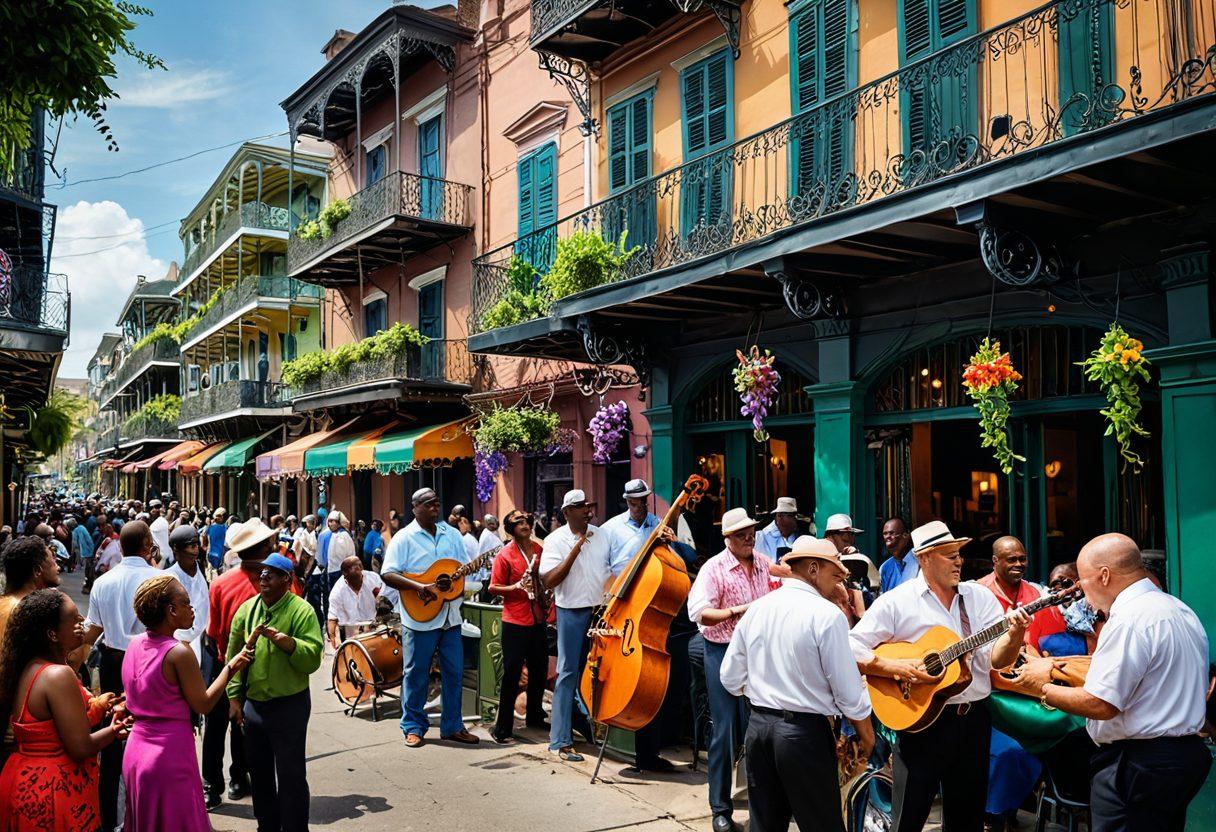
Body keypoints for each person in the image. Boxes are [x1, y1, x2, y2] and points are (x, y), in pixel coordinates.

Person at [1010, 533, 1211, 831]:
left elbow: (1101, 704)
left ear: (1104, 575)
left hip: (1139, 763)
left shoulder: (1129, 618)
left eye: (1082, 580)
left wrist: (1040, 687)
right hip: (1180, 758)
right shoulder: (1179, 609)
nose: (1079, 590)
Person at [849, 521, 1030, 832]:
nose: (959, 561)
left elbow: (995, 660)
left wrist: (1014, 636)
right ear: (925, 558)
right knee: (909, 816)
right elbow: (851, 644)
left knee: (967, 817)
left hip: (972, 718)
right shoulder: (897, 601)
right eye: (949, 555)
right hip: (920, 723)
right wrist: (896, 668)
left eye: (958, 554)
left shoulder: (978, 597)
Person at [720, 537, 874, 832]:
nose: (839, 583)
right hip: (802, 734)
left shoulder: (759, 608)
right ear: (814, 568)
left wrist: (766, 690)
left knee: (765, 825)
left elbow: (730, 678)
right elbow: (849, 694)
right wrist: (867, 739)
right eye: (836, 574)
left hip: (760, 729)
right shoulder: (827, 616)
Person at [122, 575, 254, 832]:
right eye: (186, 602)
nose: (192, 608)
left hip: (137, 751)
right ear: (171, 610)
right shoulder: (178, 652)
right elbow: (203, 704)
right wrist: (231, 666)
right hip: (168, 755)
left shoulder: (135, 644)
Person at [0, 589, 130, 831]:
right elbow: (80, 747)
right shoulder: (59, 675)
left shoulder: (31, 666)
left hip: (21, 781)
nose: (82, 622)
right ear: (52, 634)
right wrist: (115, 730)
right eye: (75, 619)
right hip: (51, 790)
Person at [687, 507, 782, 832]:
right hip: (722, 649)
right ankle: (720, 808)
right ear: (727, 537)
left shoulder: (763, 563)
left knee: (762, 727)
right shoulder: (713, 569)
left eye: (751, 531)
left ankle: (764, 806)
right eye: (741, 533)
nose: (748, 537)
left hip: (758, 649)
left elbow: (784, 585)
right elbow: (699, 612)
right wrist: (737, 610)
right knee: (725, 730)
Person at [603, 478, 696, 774]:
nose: (639, 506)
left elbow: (691, 558)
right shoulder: (611, 529)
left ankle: (647, 753)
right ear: (626, 501)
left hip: (650, 614)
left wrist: (674, 541)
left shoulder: (662, 523)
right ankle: (610, 736)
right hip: (620, 606)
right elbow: (602, 569)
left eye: (643, 500)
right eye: (633, 502)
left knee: (651, 683)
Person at [226, 553, 323, 832]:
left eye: (272, 573)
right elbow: (233, 656)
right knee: (260, 773)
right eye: (262, 573)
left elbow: (313, 658)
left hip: (290, 705)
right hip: (254, 705)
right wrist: (234, 698)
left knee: (291, 774)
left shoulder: (301, 611)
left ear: (287, 580)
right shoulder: (246, 611)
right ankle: (267, 826)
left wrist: (289, 643)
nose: (264, 577)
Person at [79, 519, 160, 832]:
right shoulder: (158, 578)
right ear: (145, 545)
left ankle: (110, 819)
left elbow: (92, 630)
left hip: (114, 662)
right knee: (150, 737)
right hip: (149, 664)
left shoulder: (105, 581)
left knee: (112, 739)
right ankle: (145, 817)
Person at [381, 489, 480, 748]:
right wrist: (418, 587)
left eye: (437, 503)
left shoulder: (452, 534)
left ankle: (453, 725)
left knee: (454, 672)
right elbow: (388, 574)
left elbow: (462, 568)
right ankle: (413, 726)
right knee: (416, 673)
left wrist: (467, 572)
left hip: (450, 615)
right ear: (415, 508)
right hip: (419, 616)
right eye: (428, 504)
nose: (435, 508)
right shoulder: (404, 538)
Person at [541, 489, 624, 762]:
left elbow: (614, 568)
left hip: (600, 610)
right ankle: (560, 741)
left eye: (587, 505)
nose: (587, 511)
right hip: (571, 611)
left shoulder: (602, 535)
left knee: (602, 670)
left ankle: (599, 732)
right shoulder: (555, 540)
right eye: (579, 507)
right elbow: (549, 580)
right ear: (566, 512)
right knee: (567, 673)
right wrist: (575, 549)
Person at [202, 519, 278, 810]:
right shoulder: (277, 581)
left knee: (227, 726)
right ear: (260, 548)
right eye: (268, 543)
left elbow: (213, 630)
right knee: (230, 725)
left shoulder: (221, 582)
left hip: (227, 662)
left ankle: (223, 782)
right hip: (234, 664)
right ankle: (227, 780)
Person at [487, 509, 551, 744]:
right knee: (512, 673)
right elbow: (493, 587)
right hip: (514, 620)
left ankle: (534, 714)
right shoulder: (505, 555)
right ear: (510, 529)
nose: (524, 525)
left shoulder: (539, 550)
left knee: (539, 669)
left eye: (527, 521)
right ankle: (502, 727)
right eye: (518, 522)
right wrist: (515, 588)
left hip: (537, 617)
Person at [0, 535, 61, 640]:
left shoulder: (5, 605)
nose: (58, 567)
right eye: (53, 562)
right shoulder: (33, 614)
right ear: (37, 571)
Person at [166, 525, 210, 662]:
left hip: (204, 639)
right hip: (179, 643)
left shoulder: (200, 568)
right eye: (190, 546)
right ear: (176, 549)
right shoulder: (169, 577)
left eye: (197, 544)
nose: (195, 550)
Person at [976, 535, 1044, 616]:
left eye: (1022, 559)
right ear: (995, 560)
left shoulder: (1035, 592)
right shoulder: (979, 591)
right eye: (1012, 560)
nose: (1018, 564)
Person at [326, 555, 383, 649]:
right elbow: (332, 619)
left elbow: (385, 597)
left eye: (360, 567)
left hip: (373, 631)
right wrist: (334, 641)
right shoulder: (337, 592)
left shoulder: (374, 579)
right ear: (345, 575)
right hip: (351, 637)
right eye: (356, 568)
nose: (360, 569)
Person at [823, 514, 880, 595]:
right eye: (846, 536)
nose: (849, 541)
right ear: (830, 536)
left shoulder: (851, 556)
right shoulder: (821, 555)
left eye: (852, 535)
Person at [294, 514, 324, 623]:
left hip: (314, 571)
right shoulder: (303, 534)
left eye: (308, 523)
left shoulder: (317, 535)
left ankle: (317, 622)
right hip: (303, 570)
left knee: (314, 601)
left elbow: (314, 552)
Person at [878, 517, 918, 593]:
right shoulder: (885, 568)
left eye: (892, 533)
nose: (887, 537)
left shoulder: (920, 559)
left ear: (906, 535)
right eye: (885, 534)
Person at [323, 511, 355, 593]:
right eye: (328, 522)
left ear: (338, 523)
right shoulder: (332, 535)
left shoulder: (344, 535)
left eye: (331, 521)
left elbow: (348, 555)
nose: (329, 524)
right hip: (331, 570)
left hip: (341, 572)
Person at [147, 500, 171, 568]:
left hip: (162, 560)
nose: (154, 509)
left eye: (157, 507)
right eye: (151, 507)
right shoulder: (155, 522)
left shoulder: (160, 522)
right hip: (162, 559)